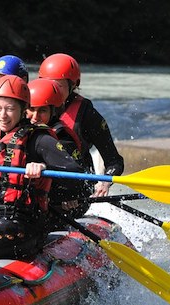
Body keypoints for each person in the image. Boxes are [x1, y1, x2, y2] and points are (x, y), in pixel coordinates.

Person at [0, 75, 85, 258]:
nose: (2, 115)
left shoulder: (39, 139)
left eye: (10, 109)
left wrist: (45, 170)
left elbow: (77, 176)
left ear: (23, 109)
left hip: (25, 226)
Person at [38, 53, 125, 197]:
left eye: (58, 86)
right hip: (41, 182)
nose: (51, 92)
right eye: (48, 85)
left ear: (73, 85)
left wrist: (105, 181)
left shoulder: (87, 114)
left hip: (75, 189)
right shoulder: (30, 107)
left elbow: (114, 161)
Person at [26, 78, 91, 218]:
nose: (35, 117)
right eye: (31, 109)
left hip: (63, 201)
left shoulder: (63, 138)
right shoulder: (19, 131)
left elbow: (81, 180)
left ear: (53, 111)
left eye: (42, 110)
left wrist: (71, 194)